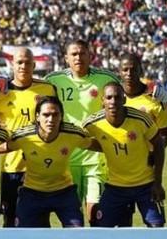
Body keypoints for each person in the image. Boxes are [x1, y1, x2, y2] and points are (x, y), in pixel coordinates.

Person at [44, 39, 120, 226]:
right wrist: (3, 81)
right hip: (66, 158)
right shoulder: (53, 80)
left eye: (82, 53)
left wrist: (152, 91)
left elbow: (127, 97)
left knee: (96, 214)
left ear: (89, 55)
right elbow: (31, 93)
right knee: (72, 219)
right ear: (66, 58)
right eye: (74, 54)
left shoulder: (106, 79)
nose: (78, 57)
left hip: (96, 156)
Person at [0, 96, 100, 227]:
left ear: (61, 116)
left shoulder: (73, 134)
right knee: (24, 234)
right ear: (37, 117)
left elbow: (95, 145)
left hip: (64, 192)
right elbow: (0, 147)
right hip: (32, 193)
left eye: (55, 114)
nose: (50, 119)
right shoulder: (23, 136)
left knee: (77, 233)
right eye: (46, 115)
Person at [0, 47, 56, 227]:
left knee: (41, 222)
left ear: (34, 64)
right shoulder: (0, 93)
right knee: (11, 221)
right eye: (19, 62)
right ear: (12, 64)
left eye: (27, 62)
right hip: (12, 168)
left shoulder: (47, 89)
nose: (23, 66)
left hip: (40, 166)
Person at [83, 82, 166, 227]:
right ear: (102, 101)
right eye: (109, 98)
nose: (113, 102)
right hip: (116, 187)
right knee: (100, 228)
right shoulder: (92, 123)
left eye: (117, 97)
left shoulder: (141, 119)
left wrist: (158, 183)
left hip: (145, 185)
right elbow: (76, 139)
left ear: (124, 100)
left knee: (157, 228)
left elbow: (159, 144)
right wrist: (105, 146)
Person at [118, 53, 167, 226]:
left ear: (141, 70)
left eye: (133, 69)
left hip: (148, 174)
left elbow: (165, 135)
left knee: (156, 226)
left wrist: (154, 152)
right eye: (125, 69)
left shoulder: (155, 98)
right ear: (119, 72)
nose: (129, 73)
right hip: (119, 175)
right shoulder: (113, 98)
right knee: (122, 226)